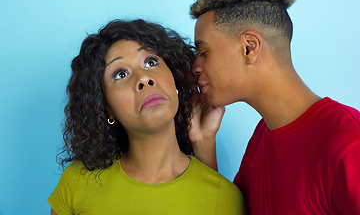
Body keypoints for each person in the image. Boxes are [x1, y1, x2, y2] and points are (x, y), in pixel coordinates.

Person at [188, 0, 360, 214]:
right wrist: (204, 141)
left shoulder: (350, 144)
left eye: (203, 52)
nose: (196, 66)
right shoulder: (262, 135)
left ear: (249, 47)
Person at [48, 19, 245, 215]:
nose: (143, 78)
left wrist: (203, 139)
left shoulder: (226, 198)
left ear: (175, 80)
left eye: (151, 62)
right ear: (106, 108)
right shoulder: (77, 181)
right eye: (120, 74)